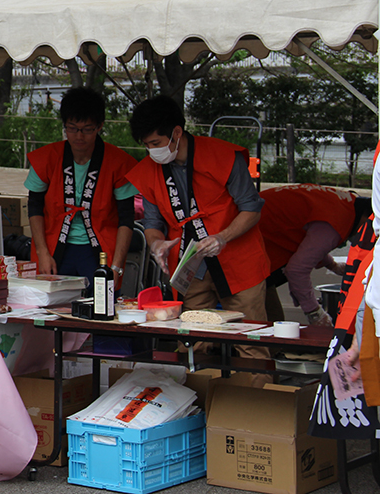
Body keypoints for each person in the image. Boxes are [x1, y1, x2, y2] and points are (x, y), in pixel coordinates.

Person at [125, 95, 270, 368]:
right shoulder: (149, 170)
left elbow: (252, 209)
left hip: (238, 260)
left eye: (156, 143)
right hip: (190, 266)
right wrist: (157, 245)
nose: (151, 151)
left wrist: (222, 237)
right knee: (193, 342)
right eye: (146, 145)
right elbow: (153, 223)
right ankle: (199, 401)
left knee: (250, 341)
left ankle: (256, 405)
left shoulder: (223, 156)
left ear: (177, 133)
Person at [25, 87, 138, 279]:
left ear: (100, 126)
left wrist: (117, 267)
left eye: (87, 129)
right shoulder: (46, 159)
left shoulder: (118, 162)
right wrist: (42, 253)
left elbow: (126, 218)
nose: (79, 136)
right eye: (72, 128)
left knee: (102, 305)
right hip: (53, 247)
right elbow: (34, 206)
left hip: (100, 249)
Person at [260, 184, 371, 326]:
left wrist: (332, 265)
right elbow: (296, 270)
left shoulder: (346, 204)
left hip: (258, 234)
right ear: (368, 219)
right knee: (259, 326)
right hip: (243, 250)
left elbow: (312, 240)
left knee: (272, 321)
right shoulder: (338, 220)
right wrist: (315, 313)